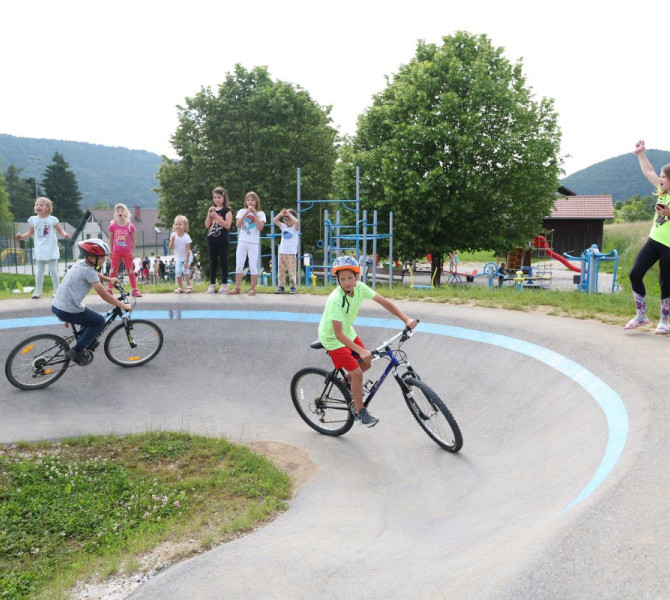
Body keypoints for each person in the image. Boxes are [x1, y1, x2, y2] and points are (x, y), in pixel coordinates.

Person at [318, 255, 417, 427]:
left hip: (348, 332)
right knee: (357, 373)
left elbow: (384, 302)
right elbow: (339, 335)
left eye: (350, 277)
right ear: (338, 280)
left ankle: (345, 383)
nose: (347, 282)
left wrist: (405, 319)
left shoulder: (360, 288)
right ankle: (359, 412)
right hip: (333, 338)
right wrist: (362, 351)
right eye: (342, 279)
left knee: (368, 362)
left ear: (357, 276)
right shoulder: (336, 300)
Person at [51, 238, 132, 364]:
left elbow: (94, 274)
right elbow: (104, 295)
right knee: (99, 321)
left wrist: (108, 279)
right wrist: (122, 305)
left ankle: (86, 340)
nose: (105, 259)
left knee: (88, 316)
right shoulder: (88, 271)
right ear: (93, 258)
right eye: (102, 257)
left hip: (58, 305)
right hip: (68, 308)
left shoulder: (81, 263)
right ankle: (77, 351)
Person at [625, 140, 670, 334]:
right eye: (660, 177)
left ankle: (664, 320)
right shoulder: (662, 192)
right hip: (654, 240)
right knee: (635, 273)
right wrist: (641, 153)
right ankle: (641, 315)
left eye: (663, 177)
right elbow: (648, 171)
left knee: (665, 282)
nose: (659, 179)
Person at [15, 196, 71, 299]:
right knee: (39, 272)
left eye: (41, 205)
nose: (38, 206)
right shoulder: (33, 220)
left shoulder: (52, 220)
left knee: (53, 271)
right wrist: (22, 236)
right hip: (39, 250)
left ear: (48, 208)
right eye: (36, 205)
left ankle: (56, 291)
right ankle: (37, 292)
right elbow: (30, 233)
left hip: (51, 250)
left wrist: (64, 234)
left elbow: (59, 230)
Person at [232, 191, 266, 296]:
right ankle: (237, 288)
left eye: (252, 200)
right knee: (239, 264)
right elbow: (237, 224)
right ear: (245, 202)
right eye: (248, 200)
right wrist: (246, 213)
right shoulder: (242, 211)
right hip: (242, 241)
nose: (250, 202)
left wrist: (254, 214)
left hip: (253, 243)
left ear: (256, 201)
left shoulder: (261, 214)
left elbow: (260, 228)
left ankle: (252, 288)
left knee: (253, 266)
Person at [108, 203, 142, 298]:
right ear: (115, 214)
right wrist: (111, 251)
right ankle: (109, 289)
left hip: (127, 252)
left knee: (130, 270)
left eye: (122, 210)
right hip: (116, 252)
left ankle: (134, 289)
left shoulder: (130, 226)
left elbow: (134, 239)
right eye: (118, 211)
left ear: (126, 213)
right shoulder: (112, 226)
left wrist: (132, 251)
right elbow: (111, 239)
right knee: (113, 271)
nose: (120, 212)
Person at [205, 186, 233, 294]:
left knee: (223, 261)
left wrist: (216, 216)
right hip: (212, 239)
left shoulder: (227, 210)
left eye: (219, 197)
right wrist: (209, 214)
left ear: (223, 198)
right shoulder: (212, 210)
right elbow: (207, 225)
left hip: (222, 239)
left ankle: (224, 284)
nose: (217, 199)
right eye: (215, 197)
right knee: (213, 261)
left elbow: (227, 225)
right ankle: (212, 284)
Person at [272, 208, 300, 294]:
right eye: (285, 219)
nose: (287, 221)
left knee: (291, 270)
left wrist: (289, 214)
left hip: (291, 253)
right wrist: (282, 213)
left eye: (288, 219)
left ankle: (293, 286)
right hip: (282, 252)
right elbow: (275, 220)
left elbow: (297, 222)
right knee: (281, 270)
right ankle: (281, 286)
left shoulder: (295, 228)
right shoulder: (283, 226)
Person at [169, 215, 193, 293]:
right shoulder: (173, 235)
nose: (177, 226)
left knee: (185, 270)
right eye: (176, 224)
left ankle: (189, 286)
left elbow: (188, 251)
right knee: (178, 271)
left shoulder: (186, 237)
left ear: (185, 226)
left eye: (180, 224)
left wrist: (186, 262)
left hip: (187, 256)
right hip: (178, 257)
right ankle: (180, 287)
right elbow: (171, 247)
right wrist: (172, 241)